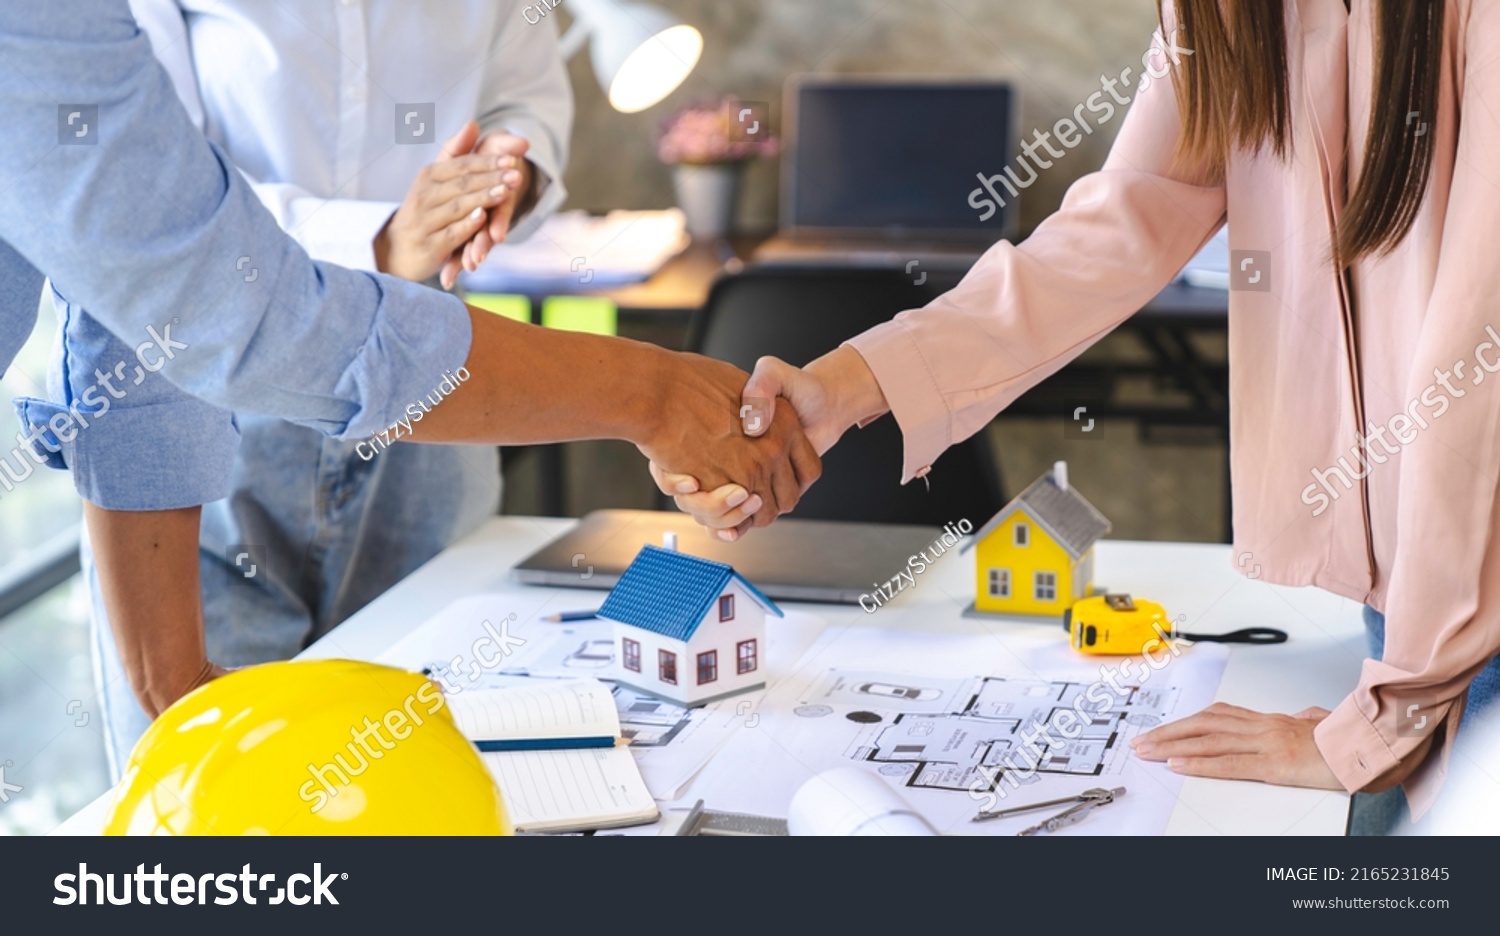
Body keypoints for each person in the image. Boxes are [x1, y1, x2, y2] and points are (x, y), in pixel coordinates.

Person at [666, 0, 1500, 833]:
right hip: (1416, 610)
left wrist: (1384, 726)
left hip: (1466, 608)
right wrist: (843, 385)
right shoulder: (1225, 14)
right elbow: (1114, 229)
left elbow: (1474, 377)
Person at [0, 0, 813, 766]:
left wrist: (169, 678)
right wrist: (652, 394)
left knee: (420, 759)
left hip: (419, 388)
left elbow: (135, 292)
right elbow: (202, 289)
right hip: (246, 421)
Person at [58, 0, 574, 770]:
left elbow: (528, 95)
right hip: (204, 411)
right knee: (215, 791)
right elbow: (145, 197)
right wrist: (376, 239)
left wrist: (504, 174)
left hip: (428, 403)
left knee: (428, 765)